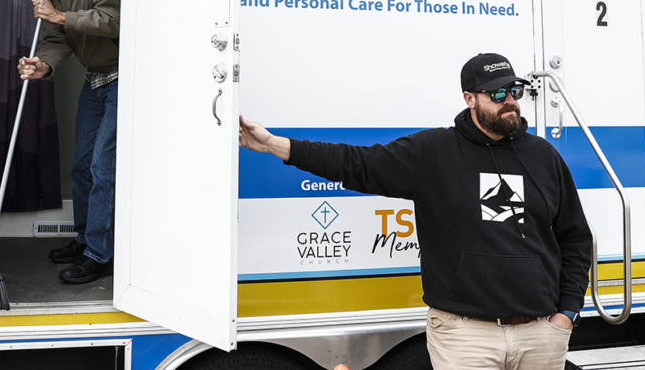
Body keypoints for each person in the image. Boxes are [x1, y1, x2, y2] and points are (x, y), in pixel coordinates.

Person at [239, 53, 592, 370]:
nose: (509, 102)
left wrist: (567, 314)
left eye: (514, 91)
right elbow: (356, 163)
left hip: (540, 335)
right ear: (470, 98)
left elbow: (575, 237)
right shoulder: (432, 152)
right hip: (466, 337)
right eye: (496, 94)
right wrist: (273, 144)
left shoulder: (543, 156)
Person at [10, 0, 120, 284]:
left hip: (123, 77)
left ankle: (100, 255)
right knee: (81, 165)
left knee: (104, 167)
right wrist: (43, 64)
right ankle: (86, 239)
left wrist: (60, 14)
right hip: (95, 78)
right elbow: (58, 39)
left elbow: (113, 19)